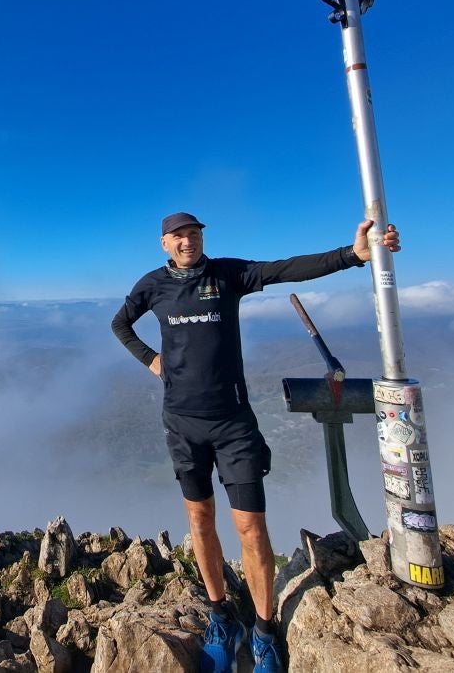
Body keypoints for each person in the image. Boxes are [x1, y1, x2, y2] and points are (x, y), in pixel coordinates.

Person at [111, 212, 399, 673]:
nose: (188, 242)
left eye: (196, 234)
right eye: (180, 237)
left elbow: (284, 268)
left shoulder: (227, 274)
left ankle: (264, 633)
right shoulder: (151, 286)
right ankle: (223, 619)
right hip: (182, 423)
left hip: (233, 424)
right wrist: (151, 360)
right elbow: (121, 324)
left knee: (251, 528)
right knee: (200, 521)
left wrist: (352, 256)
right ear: (165, 243)